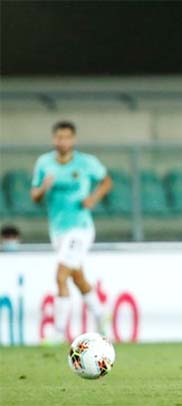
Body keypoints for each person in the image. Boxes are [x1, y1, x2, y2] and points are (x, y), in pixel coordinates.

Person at [31, 120, 112, 343]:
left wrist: (93, 198)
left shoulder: (86, 163)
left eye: (67, 137)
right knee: (77, 277)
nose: (62, 141)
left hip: (81, 228)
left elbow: (106, 182)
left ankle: (57, 333)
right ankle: (101, 314)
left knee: (61, 275)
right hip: (58, 230)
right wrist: (43, 189)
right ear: (53, 139)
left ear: (73, 139)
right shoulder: (44, 163)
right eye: (59, 137)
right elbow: (34, 197)